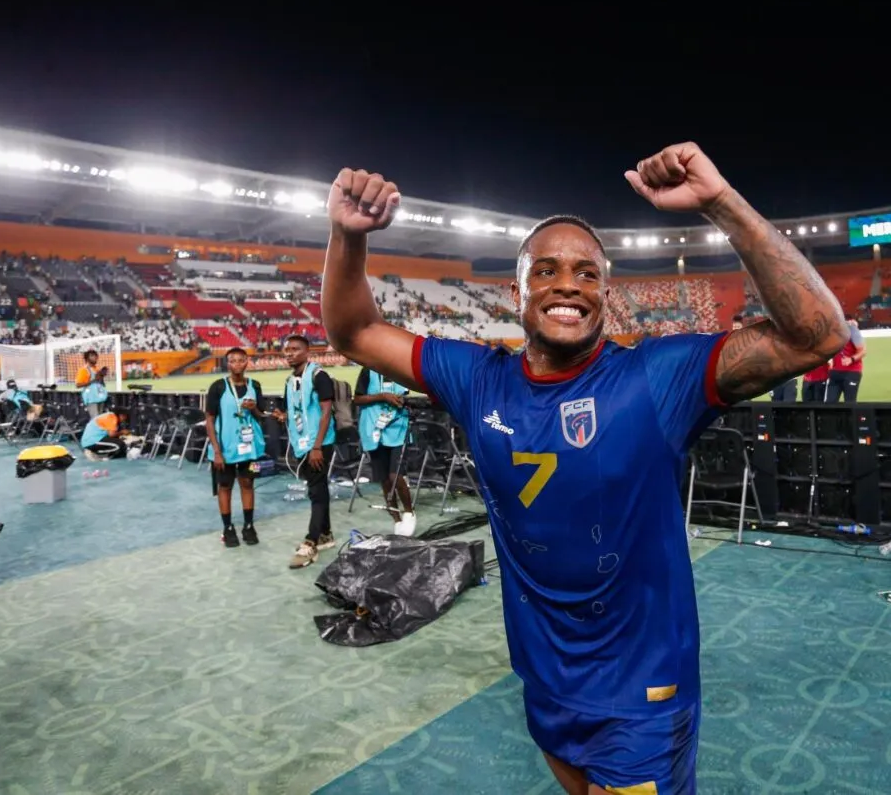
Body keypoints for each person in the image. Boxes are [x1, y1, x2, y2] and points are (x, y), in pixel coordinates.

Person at [321, 143, 848, 795]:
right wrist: (347, 236)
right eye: (545, 270)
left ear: (606, 294)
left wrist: (720, 201)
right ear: (516, 291)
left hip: (643, 695)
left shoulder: (656, 379)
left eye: (586, 273)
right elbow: (354, 330)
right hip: (545, 681)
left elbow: (819, 335)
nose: (567, 283)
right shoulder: (476, 379)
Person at [271, 335, 337, 568]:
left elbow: (326, 413)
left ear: (307, 352)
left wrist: (317, 446)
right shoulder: (291, 381)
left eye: (295, 349)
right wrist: (284, 417)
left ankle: (310, 543)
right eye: (286, 349)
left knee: (316, 492)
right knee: (318, 488)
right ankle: (326, 534)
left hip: (319, 444)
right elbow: (299, 411)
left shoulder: (320, 376)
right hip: (302, 443)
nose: (289, 353)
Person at [205, 347, 270, 548]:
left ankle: (249, 525)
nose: (236, 364)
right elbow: (209, 419)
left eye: (240, 360)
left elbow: (261, 415)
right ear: (227, 364)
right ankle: (228, 528)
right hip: (224, 450)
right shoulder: (218, 386)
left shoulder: (255, 385)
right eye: (232, 361)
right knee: (225, 487)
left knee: (248, 484)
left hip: (250, 449)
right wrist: (216, 451)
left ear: (247, 362)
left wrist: (255, 409)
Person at [353, 366, 417, 536]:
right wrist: (382, 396)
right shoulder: (368, 371)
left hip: (397, 428)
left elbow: (406, 397)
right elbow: (357, 399)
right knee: (384, 480)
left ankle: (409, 512)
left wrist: (402, 401)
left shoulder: (399, 370)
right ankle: (396, 519)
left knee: (395, 476)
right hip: (374, 430)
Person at [824, 318, 866, 402]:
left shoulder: (851, 329)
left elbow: (863, 351)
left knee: (849, 403)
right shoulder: (830, 330)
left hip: (851, 372)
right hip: (835, 372)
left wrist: (851, 359)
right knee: (830, 404)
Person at [76, 350, 110, 419]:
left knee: (100, 419)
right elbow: (78, 385)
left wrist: (102, 376)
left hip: (100, 397)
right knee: (95, 420)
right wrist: (93, 380)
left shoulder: (97, 369)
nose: (94, 357)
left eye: (95, 356)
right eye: (92, 356)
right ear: (87, 358)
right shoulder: (83, 370)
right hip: (91, 398)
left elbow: (101, 384)